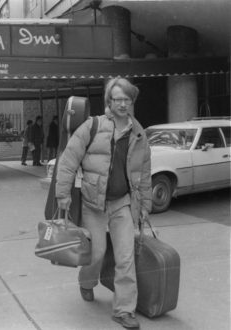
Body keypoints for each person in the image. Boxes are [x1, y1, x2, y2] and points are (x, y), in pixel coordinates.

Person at [55, 77, 151, 329]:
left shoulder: (139, 134)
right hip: (93, 203)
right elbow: (68, 161)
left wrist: (145, 207)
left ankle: (124, 310)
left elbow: (144, 176)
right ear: (109, 100)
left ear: (132, 101)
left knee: (125, 257)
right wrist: (63, 195)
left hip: (123, 203)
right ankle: (87, 282)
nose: (122, 103)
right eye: (117, 98)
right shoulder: (92, 126)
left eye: (126, 99)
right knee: (96, 253)